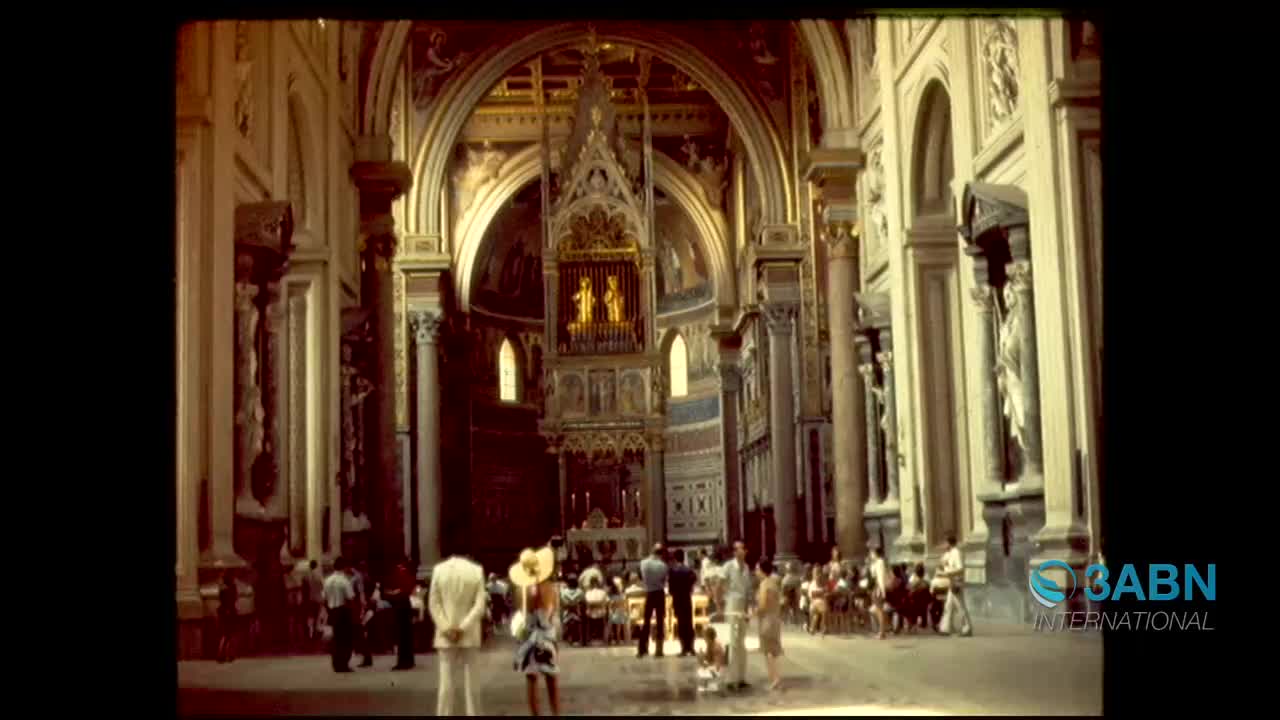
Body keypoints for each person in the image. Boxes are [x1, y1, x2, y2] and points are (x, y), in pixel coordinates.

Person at [429, 555, 487, 716]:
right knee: (472, 684)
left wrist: (446, 627)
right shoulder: (476, 571)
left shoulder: (438, 570)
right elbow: (479, 606)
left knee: (446, 685)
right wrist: (462, 627)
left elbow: (434, 604)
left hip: (445, 636)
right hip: (469, 634)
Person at [510, 546, 561, 716]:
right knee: (551, 679)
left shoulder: (520, 590)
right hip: (546, 637)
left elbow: (521, 612)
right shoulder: (549, 588)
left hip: (527, 638)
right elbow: (551, 614)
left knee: (531, 679)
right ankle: (556, 713)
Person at [722, 540, 753, 691]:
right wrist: (721, 604)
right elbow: (719, 584)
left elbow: (748, 592)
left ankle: (741, 677)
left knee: (741, 642)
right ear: (735, 552)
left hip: (742, 606)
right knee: (732, 642)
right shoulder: (728, 567)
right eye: (740, 549)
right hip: (732, 604)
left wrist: (748, 611)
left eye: (744, 549)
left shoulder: (746, 568)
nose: (743, 551)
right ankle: (730, 678)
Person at [322, 557, 357, 673]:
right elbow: (350, 599)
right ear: (344, 566)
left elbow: (324, 599)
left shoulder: (327, 580)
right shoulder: (344, 581)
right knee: (346, 639)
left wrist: (329, 611)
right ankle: (343, 664)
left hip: (333, 611)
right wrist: (354, 614)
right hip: (343, 611)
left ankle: (336, 663)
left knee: (336, 639)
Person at [384, 560, 418, 670]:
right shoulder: (407, 572)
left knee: (402, 635)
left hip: (400, 603)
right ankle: (409, 660)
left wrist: (392, 592)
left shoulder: (399, 572)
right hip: (405, 603)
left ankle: (403, 662)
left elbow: (401, 589)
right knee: (407, 634)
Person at [755, 558, 783, 691]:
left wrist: (751, 614)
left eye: (757, 569)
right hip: (775, 618)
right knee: (772, 650)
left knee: (768, 651)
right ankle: (774, 678)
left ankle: (775, 678)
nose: (755, 571)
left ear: (762, 570)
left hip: (767, 620)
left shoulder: (764, 584)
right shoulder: (773, 583)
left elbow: (762, 605)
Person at [637, 544, 669, 658]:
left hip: (649, 593)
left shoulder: (643, 563)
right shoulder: (663, 565)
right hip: (659, 593)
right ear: (661, 553)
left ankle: (642, 649)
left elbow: (640, 577)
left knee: (646, 621)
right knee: (660, 621)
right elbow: (664, 580)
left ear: (652, 551)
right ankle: (659, 650)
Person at [938, 534, 973, 637]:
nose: (943, 545)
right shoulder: (950, 553)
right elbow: (943, 563)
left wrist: (946, 573)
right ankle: (945, 628)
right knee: (948, 606)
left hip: (957, 582)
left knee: (960, 606)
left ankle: (966, 628)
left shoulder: (956, 553)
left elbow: (960, 568)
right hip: (952, 582)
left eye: (945, 542)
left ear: (949, 542)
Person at [668, 548, 697, 657]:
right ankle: (692, 648)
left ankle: (684, 648)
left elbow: (670, 589)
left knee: (681, 624)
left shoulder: (672, 571)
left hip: (678, 599)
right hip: (687, 598)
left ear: (675, 558)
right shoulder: (688, 569)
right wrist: (689, 588)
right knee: (689, 623)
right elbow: (694, 579)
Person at [696, 625, 726, 693]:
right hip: (713, 667)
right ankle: (709, 684)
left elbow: (717, 663)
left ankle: (712, 684)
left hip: (716, 669)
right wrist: (701, 656)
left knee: (703, 672)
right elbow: (707, 659)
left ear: (709, 638)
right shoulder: (709, 645)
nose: (704, 639)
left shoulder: (716, 646)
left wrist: (709, 667)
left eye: (705, 637)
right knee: (701, 671)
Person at [868, 546, 889, 640]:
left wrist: (882, 589)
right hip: (876, 587)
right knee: (877, 609)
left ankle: (882, 631)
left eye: (872, 553)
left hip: (878, 587)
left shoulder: (880, 562)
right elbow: (873, 573)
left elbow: (880, 576)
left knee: (879, 610)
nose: (871, 554)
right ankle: (883, 629)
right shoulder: (876, 562)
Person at [216, 572, 238, 663]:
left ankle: (221, 655)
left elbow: (221, 600)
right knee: (230, 635)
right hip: (230, 613)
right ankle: (229, 655)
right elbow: (234, 599)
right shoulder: (232, 588)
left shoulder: (221, 589)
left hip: (222, 612)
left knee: (224, 635)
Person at [305, 559, 325, 643]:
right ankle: (317, 632)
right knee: (318, 616)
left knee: (311, 617)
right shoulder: (318, 575)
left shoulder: (307, 576)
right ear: (316, 566)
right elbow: (322, 585)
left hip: (310, 598)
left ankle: (310, 633)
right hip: (318, 598)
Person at [807, 565, 828, 635]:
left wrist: (819, 593)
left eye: (815, 572)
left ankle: (816, 629)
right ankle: (818, 628)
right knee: (818, 614)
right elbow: (813, 593)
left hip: (818, 601)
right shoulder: (814, 581)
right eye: (814, 572)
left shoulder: (819, 579)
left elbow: (824, 590)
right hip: (816, 601)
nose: (814, 573)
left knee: (819, 614)